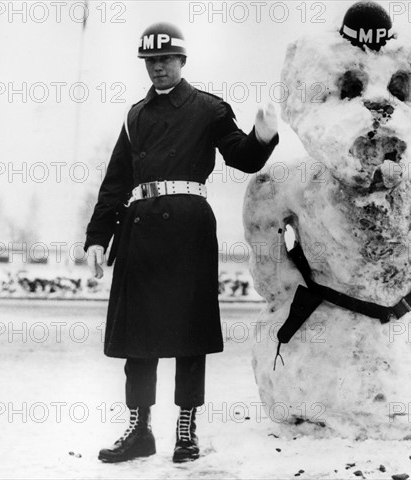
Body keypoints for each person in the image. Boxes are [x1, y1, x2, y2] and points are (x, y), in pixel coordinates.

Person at [84, 22, 278, 464]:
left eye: (165, 60)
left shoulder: (208, 108)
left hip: (189, 230)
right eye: (150, 62)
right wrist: (97, 237)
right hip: (139, 231)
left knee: (189, 332)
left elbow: (242, 157)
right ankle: (139, 429)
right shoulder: (135, 116)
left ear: (182, 61)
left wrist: (262, 136)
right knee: (138, 337)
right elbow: (116, 183)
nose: (158, 68)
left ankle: (186, 428)